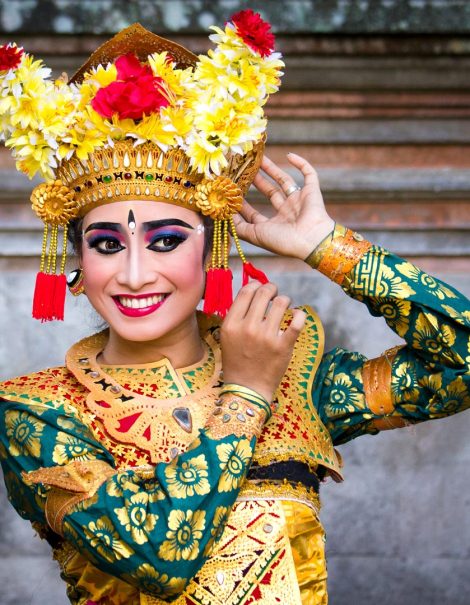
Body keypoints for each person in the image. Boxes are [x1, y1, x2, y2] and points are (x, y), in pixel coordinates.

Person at [0, 10, 468, 605]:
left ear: (215, 247)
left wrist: (329, 249)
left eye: (166, 241)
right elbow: (155, 558)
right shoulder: (37, 411)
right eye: (107, 244)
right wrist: (245, 395)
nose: (136, 273)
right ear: (78, 264)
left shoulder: (297, 379)